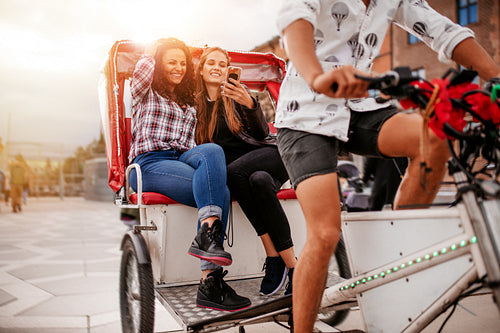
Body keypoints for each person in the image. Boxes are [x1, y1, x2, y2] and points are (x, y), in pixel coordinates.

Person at [274, 1, 500, 332]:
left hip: (363, 105)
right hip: (306, 109)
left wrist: (495, 78)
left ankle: (399, 256)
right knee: (324, 233)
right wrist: (317, 76)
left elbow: (442, 31)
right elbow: (295, 20)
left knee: (432, 137)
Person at [128, 38, 250, 311]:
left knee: (212, 151)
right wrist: (153, 50)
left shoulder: (187, 100)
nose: (179, 67)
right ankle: (212, 282)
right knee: (222, 193)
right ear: (159, 63)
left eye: (183, 63)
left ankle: (207, 236)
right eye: (172, 61)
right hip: (149, 163)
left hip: (182, 158)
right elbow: (142, 73)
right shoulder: (143, 91)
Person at [194, 47, 298, 296]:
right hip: (247, 175)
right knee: (259, 181)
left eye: (222, 64)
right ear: (200, 68)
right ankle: (295, 267)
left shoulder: (238, 96)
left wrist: (251, 104)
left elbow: (263, 134)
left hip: (271, 154)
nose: (217, 67)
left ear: (228, 70)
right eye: (211, 63)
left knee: (235, 172)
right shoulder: (193, 105)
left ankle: (273, 255)